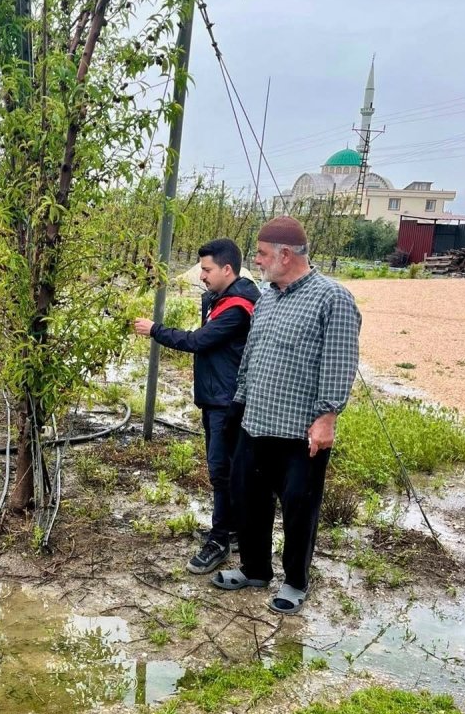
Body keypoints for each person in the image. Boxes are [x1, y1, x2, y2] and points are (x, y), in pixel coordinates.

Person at [212, 216, 360, 614]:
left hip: (300, 432)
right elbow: (251, 357)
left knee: (298, 508)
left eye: (261, 254)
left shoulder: (333, 298)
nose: (256, 262)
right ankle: (255, 569)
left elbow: (340, 361)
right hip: (256, 423)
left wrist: (327, 416)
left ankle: (295, 581)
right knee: (249, 500)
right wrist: (237, 406)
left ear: (285, 254)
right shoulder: (268, 297)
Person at [133, 238, 260, 574]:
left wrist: (155, 330)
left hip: (226, 402)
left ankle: (220, 540)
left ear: (227, 269)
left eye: (207, 270)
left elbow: (198, 341)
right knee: (224, 470)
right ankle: (229, 528)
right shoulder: (222, 298)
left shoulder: (237, 307)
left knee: (221, 471)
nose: (201, 276)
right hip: (216, 396)